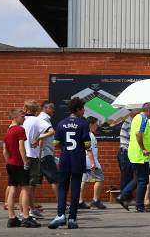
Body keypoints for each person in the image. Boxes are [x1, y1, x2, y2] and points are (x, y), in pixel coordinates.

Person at [48, 97, 91, 229]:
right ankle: (72, 218)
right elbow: (88, 144)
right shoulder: (83, 124)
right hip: (78, 160)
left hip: (65, 159)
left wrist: (65, 146)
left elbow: (55, 143)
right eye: (83, 108)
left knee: (62, 188)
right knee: (75, 189)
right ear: (78, 109)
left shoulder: (61, 123)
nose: (84, 111)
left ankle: (60, 215)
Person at [3, 108, 39, 228]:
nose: (24, 118)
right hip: (19, 164)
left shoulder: (8, 131)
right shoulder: (20, 129)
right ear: (15, 117)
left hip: (10, 164)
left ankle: (12, 218)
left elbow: (4, 150)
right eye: (22, 116)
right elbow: (21, 147)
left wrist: (8, 161)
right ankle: (26, 217)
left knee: (12, 189)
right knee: (26, 189)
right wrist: (25, 162)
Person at [117, 102, 150, 212]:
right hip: (140, 154)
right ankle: (139, 205)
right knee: (143, 180)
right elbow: (139, 134)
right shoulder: (143, 119)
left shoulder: (136, 118)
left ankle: (123, 196)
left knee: (139, 178)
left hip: (135, 153)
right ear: (148, 110)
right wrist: (143, 148)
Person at [22, 100, 55, 219]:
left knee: (24, 186)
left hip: (21, 155)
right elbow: (52, 131)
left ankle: (27, 210)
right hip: (32, 155)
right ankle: (28, 211)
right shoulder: (37, 120)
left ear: (25, 108)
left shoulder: (20, 120)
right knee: (29, 186)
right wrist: (38, 138)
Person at [79, 116, 107, 209]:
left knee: (83, 181)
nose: (97, 126)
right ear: (91, 124)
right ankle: (95, 200)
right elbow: (89, 150)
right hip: (90, 160)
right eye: (96, 124)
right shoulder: (90, 135)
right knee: (99, 179)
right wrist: (93, 163)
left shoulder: (86, 133)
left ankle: (80, 201)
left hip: (83, 161)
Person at [37, 101, 58, 201]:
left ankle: (30, 206)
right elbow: (41, 137)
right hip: (45, 154)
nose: (54, 110)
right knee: (54, 179)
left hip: (42, 154)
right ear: (45, 108)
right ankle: (61, 202)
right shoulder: (43, 119)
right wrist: (41, 154)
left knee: (33, 183)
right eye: (51, 108)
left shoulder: (42, 119)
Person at [118, 112, 134, 194]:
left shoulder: (131, 122)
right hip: (125, 151)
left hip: (125, 152)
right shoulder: (130, 122)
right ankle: (123, 196)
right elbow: (134, 137)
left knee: (128, 175)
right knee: (126, 176)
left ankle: (125, 196)